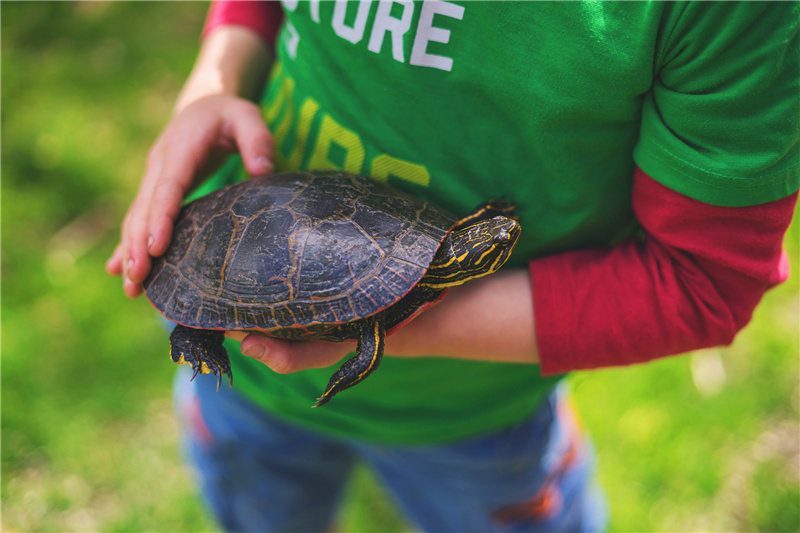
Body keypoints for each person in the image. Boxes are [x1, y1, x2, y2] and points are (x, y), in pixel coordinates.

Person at [107, 1, 799, 531]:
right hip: (241, 376)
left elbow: (702, 280)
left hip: (472, 417)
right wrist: (216, 76)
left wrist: (379, 323)